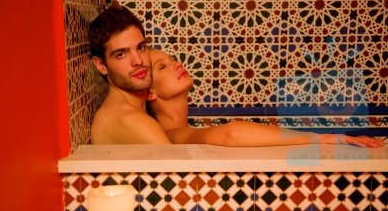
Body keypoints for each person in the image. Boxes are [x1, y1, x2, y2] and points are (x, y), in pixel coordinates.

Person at [147, 49, 384, 148]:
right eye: (162, 66)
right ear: (150, 93)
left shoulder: (181, 130)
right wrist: (328, 139)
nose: (176, 63)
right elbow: (233, 133)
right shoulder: (169, 134)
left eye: (172, 58)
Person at [88, 5, 171, 144]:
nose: (138, 61)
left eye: (141, 47)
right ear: (101, 65)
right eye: (121, 54)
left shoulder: (134, 111)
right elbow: (178, 165)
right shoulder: (130, 119)